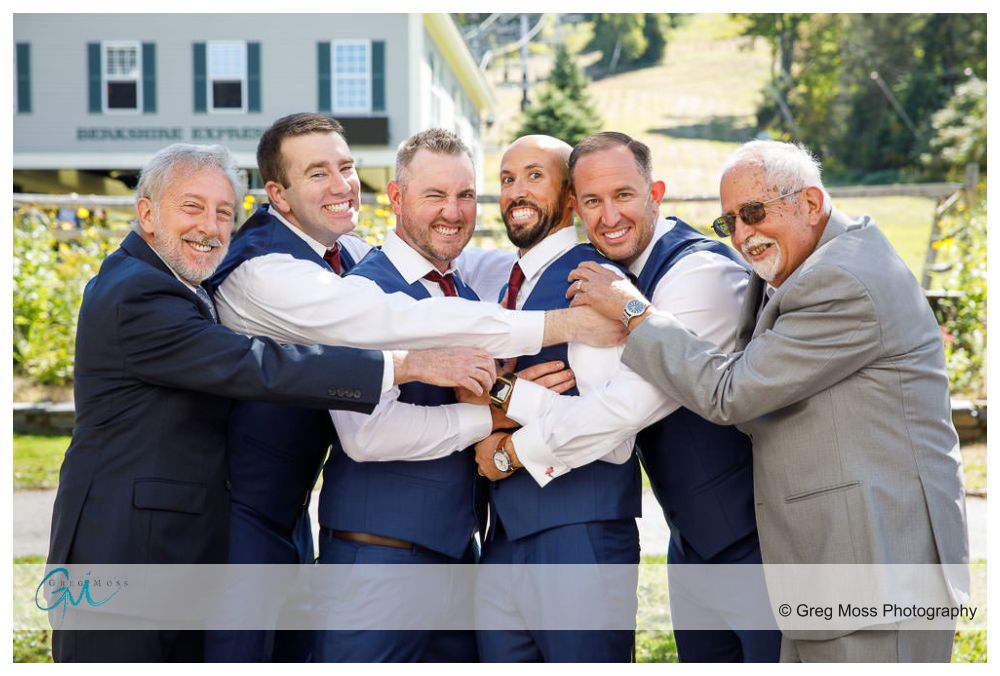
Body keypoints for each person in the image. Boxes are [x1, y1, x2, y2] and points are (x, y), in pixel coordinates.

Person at [45, 143, 492, 662]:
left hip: (201, 547)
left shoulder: (187, 281)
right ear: (146, 212)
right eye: (192, 207)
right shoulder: (136, 292)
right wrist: (406, 364)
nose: (210, 226)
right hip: (123, 559)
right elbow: (256, 365)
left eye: (223, 213)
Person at [569, 139, 969, 662]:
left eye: (754, 212)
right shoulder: (800, 270)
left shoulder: (844, 280)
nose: (741, 235)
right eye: (729, 221)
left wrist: (633, 312)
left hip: (875, 572)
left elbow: (732, 393)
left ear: (809, 202)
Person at [480, 132, 779, 662]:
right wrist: (502, 392)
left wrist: (510, 449)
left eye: (623, 196)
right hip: (694, 539)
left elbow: (623, 411)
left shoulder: (700, 275)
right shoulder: (607, 277)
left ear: (655, 193)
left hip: (760, 541)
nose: (608, 216)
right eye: (592, 201)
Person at [314, 128, 509, 662]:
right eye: (435, 196)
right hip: (377, 567)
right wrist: (488, 420)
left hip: (457, 562)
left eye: (465, 195)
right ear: (397, 199)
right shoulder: (360, 295)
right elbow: (367, 436)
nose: (454, 211)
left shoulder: (465, 294)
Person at [471, 135, 641, 663]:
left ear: (570, 198)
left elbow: (612, 430)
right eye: (506, 179)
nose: (516, 190)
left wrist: (503, 420)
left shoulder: (592, 280)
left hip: (577, 539)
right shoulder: (510, 285)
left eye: (534, 176)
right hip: (503, 539)